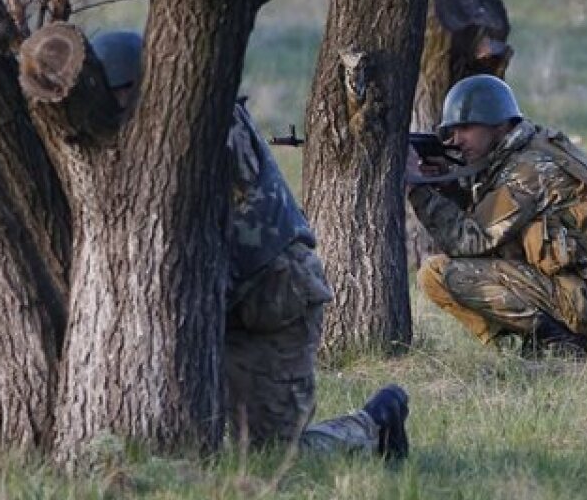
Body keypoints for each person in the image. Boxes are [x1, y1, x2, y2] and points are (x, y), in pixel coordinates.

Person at [90, 30, 410, 460]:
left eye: (117, 94)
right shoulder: (146, 135)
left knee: (270, 456)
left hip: (273, 301)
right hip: (220, 303)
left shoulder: (206, 125)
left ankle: (373, 427)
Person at [406, 74, 587, 357]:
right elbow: (493, 223)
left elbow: (469, 240)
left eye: (465, 128)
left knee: (436, 273)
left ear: (498, 124)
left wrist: (416, 188)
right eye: (452, 131)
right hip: (583, 294)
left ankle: (560, 341)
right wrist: (449, 186)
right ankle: (538, 340)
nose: (456, 140)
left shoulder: (528, 170)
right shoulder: (530, 149)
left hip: (584, 303)